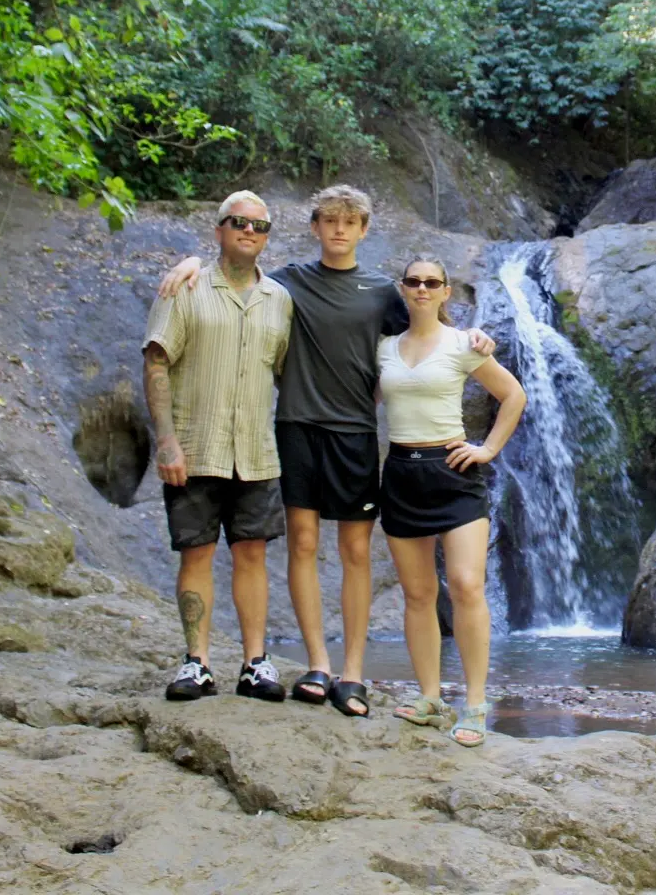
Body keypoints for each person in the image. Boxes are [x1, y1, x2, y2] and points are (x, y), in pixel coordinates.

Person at [156, 185, 493, 718]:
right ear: (314, 227)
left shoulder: (386, 293)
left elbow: (426, 330)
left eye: (351, 221)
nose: (339, 229)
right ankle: (318, 663)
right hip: (295, 429)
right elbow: (238, 268)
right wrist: (192, 261)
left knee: (357, 552)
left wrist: (473, 336)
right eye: (330, 220)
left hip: (355, 433)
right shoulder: (288, 283)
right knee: (304, 544)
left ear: (363, 230)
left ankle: (353, 672)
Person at [142, 190, 293, 703]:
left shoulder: (280, 300)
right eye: (238, 222)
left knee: (252, 554)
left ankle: (255, 662)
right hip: (196, 445)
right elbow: (157, 362)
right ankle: (197, 663)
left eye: (260, 225)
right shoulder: (183, 288)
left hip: (255, 450)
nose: (249, 231)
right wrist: (166, 441)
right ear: (219, 230)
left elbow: (291, 373)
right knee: (196, 553)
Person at [379, 256, 525, 748]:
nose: (422, 288)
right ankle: (429, 698)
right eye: (414, 281)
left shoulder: (465, 343)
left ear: (445, 293)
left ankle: (477, 703)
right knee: (419, 594)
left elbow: (513, 395)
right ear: (403, 289)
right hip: (401, 471)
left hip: (455, 472)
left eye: (432, 282)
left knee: (465, 585)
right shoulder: (384, 348)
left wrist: (487, 448)